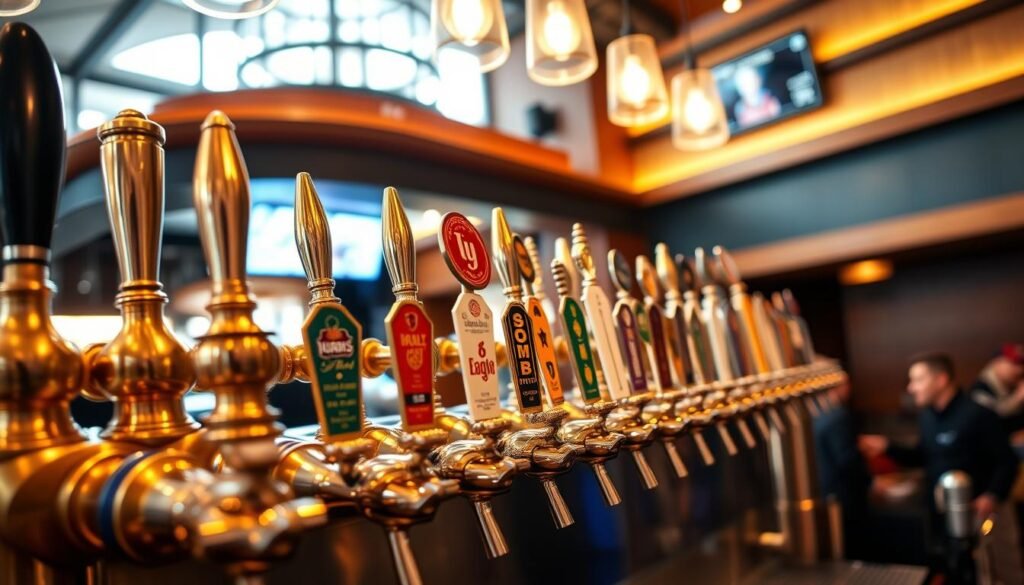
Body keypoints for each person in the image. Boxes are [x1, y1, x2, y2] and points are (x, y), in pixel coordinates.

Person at [859, 353, 1018, 578]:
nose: (911, 388)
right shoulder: (927, 416)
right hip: (946, 515)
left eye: (918, 380)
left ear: (941, 380)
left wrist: (992, 496)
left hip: (983, 515)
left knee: (999, 573)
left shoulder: (978, 414)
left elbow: (1007, 461)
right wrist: (887, 447)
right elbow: (923, 456)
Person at [813, 378, 872, 559]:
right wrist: (870, 483)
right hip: (846, 498)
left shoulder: (816, 414)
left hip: (826, 496)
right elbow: (848, 459)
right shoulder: (838, 416)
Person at [970, 343, 1024, 432]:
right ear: (997, 363)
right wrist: (1018, 397)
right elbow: (993, 417)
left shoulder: (1012, 385)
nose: (1020, 370)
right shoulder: (980, 390)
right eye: (1014, 363)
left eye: (1021, 364)